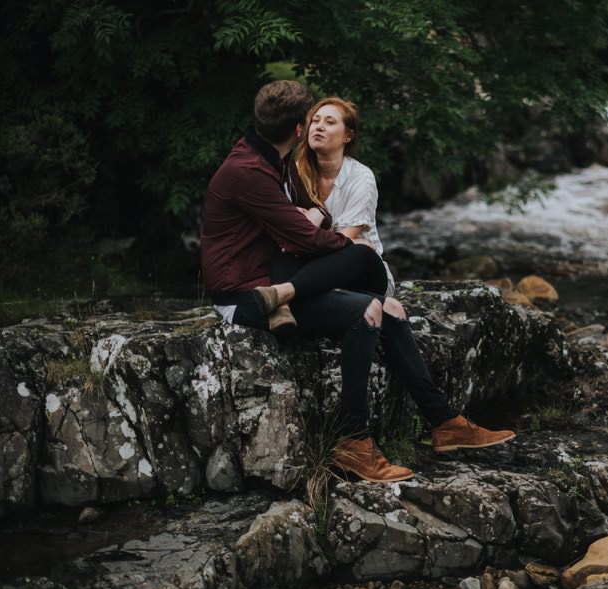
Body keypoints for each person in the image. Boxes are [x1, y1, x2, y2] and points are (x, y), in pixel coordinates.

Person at [200, 80, 515, 483]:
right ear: (300, 128)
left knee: (386, 305)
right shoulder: (250, 171)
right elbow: (306, 236)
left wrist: (315, 219)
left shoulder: (272, 162)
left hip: (277, 279)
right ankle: (353, 442)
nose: (317, 127)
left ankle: (444, 422)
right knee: (366, 300)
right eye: (313, 120)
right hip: (244, 297)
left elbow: (309, 220)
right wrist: (325, 229)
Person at [296, 97, 395, 296]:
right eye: (315, 121)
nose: (319, 127)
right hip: (310, 269)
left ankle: (286, 293)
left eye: (330, 122)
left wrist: (309, 224)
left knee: (359, 250)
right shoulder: (294, 173)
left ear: (348, 136)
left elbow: (343, 244)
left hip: (363, 275)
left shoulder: (361, 177)